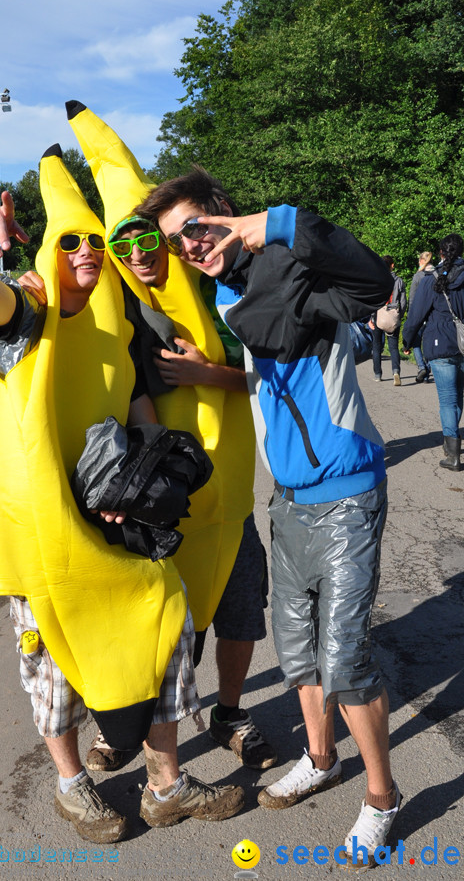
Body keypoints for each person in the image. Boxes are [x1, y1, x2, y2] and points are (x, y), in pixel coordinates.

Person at [0, 152, 244, 844]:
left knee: (165, 626)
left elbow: (138, 410)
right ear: (50, 255)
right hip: (43, 531)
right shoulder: (28, 313)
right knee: (53, 665)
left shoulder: (115, 326)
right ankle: (70, 785)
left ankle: (167, 786)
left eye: (94, 241)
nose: (86, 251)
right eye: (69, 241)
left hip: (115, 521)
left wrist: (159, 482)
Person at [138, 167, 401, 869]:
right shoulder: (225, 293)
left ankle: (383, 799)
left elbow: (378, 287)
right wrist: (207, 374)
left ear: (226, 213)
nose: (188, 246)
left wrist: (276, 220)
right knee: (298, 651)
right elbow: (266, 373)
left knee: (345, 661)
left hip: (346, 493)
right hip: (286, 501)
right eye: (176, 240)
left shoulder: (292, 263)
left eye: (195, 227)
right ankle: (321, 758)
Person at [64, 102, 276, 775]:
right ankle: (129, 724)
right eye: (123, 246)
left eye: (146, 240)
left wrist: (204, 371)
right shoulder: (115, 312)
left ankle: (232, 713)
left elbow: (271, 376)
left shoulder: (218, 294)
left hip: (231, 494)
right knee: (157, 624)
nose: (137, 254)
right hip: (162, 494)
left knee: (242, 609)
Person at [403, 234, 464, 471]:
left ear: (440, 253)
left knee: (448, 400)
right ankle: (453, 444)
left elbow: (416, 314)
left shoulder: (432, 279)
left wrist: (408, 339)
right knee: (457, 397)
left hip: (440, 345)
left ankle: (452, 453)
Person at [371, 256, 407, 385]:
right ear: (392, 265)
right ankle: (396, 372)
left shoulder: (376, 279)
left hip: (378, 315)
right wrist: (399, 316)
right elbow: (403, 302)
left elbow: (372, 300)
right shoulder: (399, 281)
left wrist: (371, 317)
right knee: (393, 347)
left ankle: (377, 374)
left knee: (376, 347)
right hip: (393, 315)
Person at [409, 250, 434, 382]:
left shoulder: (418, 276)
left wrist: (410, 316)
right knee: (429, 343)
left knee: (416, 342)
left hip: (419, 314)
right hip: (433, 315)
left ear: (422, 261)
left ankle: (421, 367)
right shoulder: (438, 274)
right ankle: (428, 368)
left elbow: (412, 298)